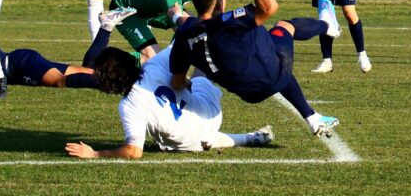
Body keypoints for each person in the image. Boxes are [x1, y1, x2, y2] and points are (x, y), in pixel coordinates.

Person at [169, 0, 340, 137]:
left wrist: (176, 16)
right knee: (284, 27)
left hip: (248, 94)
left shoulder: (185, 36)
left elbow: (177, 82)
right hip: (273, 74)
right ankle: (328, 25)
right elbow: (270, 6)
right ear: (220, 3)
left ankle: (313, 117)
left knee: (268, 47)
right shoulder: (228, 22)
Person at [65, 45, 274, 159]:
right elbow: (185, 41)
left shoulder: (129, 106)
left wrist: (95, 153)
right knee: (200, 69)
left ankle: (247, 138)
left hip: (192, 142)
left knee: (196, 134)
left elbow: (134, 151)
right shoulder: (154, 65)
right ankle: (249, 136)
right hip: (209, 112)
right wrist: (177, 17)